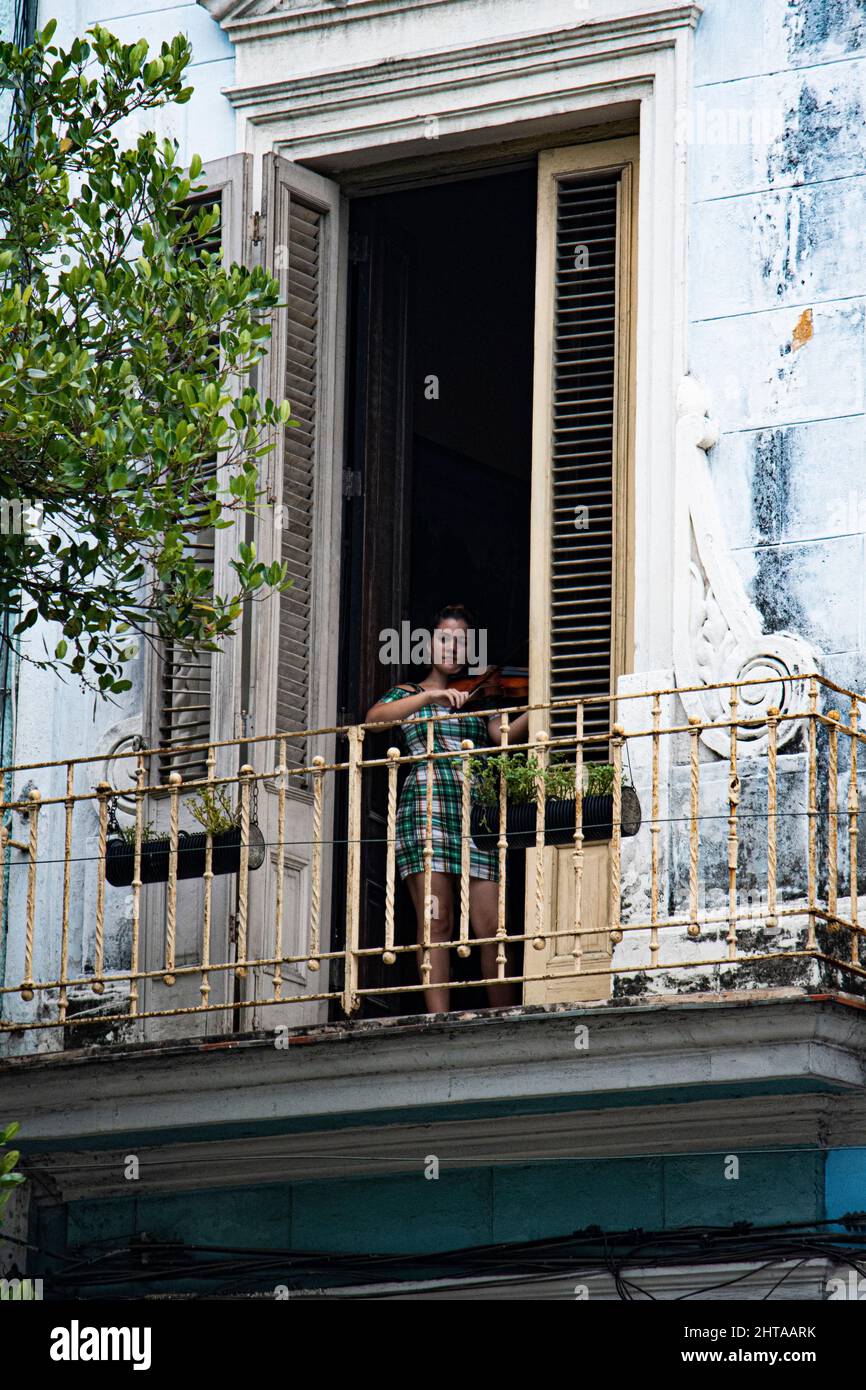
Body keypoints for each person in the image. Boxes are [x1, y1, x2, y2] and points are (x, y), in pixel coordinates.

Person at [365, 604, 529, 1013]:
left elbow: (501, 734)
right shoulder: (407, 694)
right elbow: (373, 720)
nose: (452, 647)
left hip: (475, 812)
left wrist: (539, 700)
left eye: (461, 641)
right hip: (426, 809)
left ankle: (503, 1017)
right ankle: (438, 1019)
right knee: (436, 923)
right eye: (444, 638)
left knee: (491, 926)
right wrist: (433, 695)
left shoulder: (476, 696)